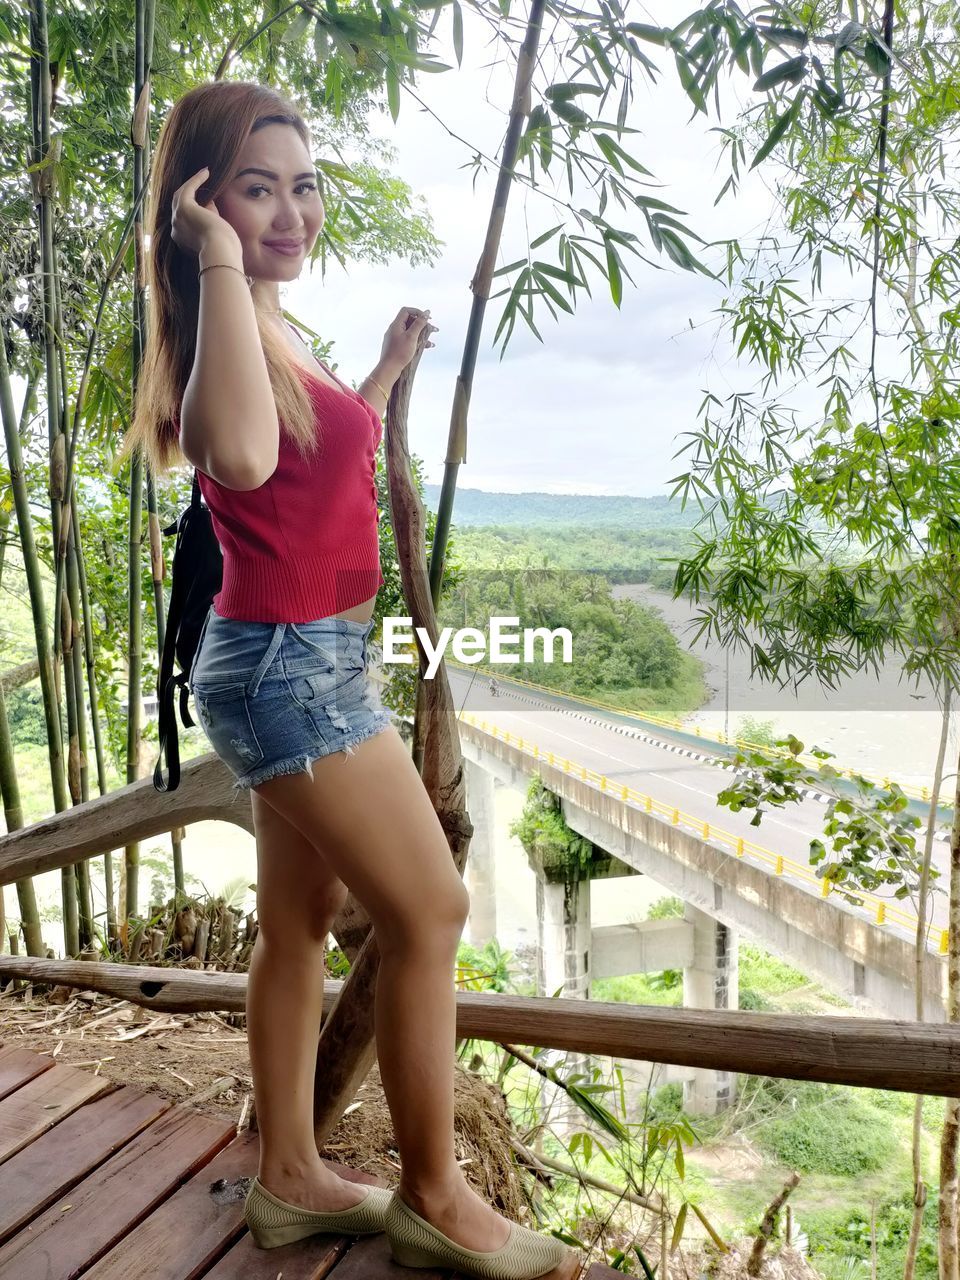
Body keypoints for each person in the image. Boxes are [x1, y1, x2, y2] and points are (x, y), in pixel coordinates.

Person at [121, 81, 577, 1280]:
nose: (289, 212)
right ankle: (436, 1194)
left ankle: (289, 1176)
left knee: (296, 922)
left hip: (298, 657)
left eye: (303, 185)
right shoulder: (225, 315)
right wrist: (213, 259)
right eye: (253, 189)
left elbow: (313, 465)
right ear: (200, 201)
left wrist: (376, 374)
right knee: (429, 912)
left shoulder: (269, 325)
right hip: (290, 669)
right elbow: (240, 452)